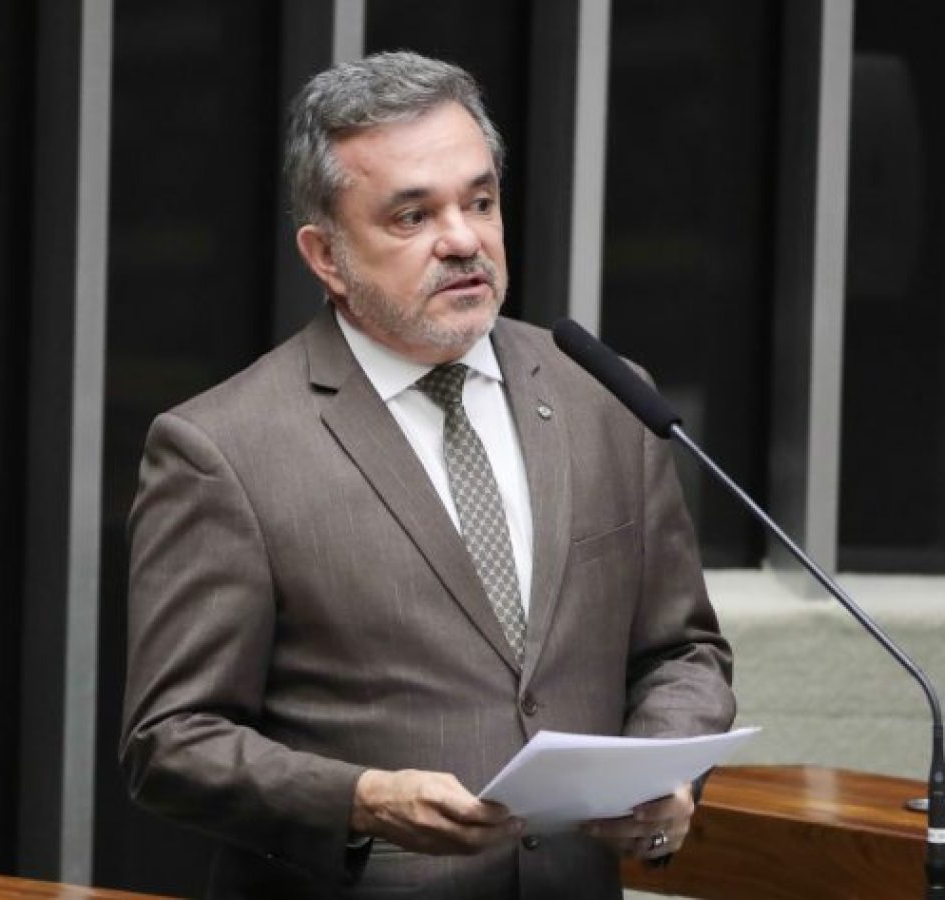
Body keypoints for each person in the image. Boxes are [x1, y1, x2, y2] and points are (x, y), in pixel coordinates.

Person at [120, 50, 734, 900]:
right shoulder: (223, 449)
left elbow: (682, 651)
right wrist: (361, 800)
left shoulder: (602, 394)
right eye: (412, 217)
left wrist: (664, 781)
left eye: (479, 201)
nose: (462, 239)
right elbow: (170, 743)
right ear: (326, 255)